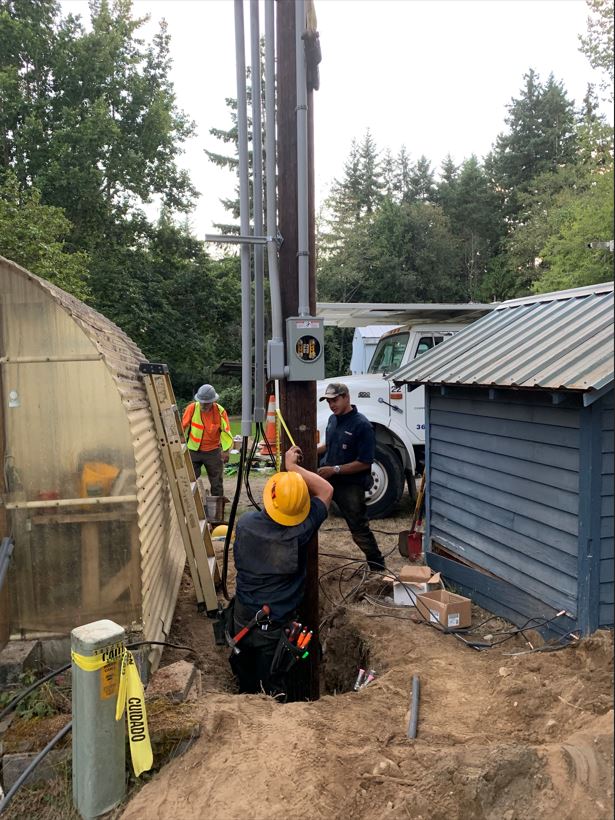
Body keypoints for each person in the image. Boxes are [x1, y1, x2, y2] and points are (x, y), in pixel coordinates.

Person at [229, 445, 333, 697]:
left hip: (241, 620)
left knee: (246, 688)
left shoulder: (245, 525)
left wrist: (287, 469)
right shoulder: (301, 531)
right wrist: (294, 468)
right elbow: (326, 489)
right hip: (274, 633)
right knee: (271, 693)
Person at [316, 382, 386, 571]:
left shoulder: (362, 425)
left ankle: (377, 565)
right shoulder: (332, 420)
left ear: (347, 397)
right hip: (329, 478)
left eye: (335, 400)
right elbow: (329, 445)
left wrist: (335, 469)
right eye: (329, 401)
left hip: (350, 484)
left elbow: (365, 462)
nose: (332, 405)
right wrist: (312, 450)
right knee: (309, 512)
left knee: (358, 528)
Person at [181, 384, 233, 496]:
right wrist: (179, 440)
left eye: (207, 403)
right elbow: (182, 427)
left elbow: (225, 432)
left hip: (213, 452)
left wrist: (225, 451)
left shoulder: (220, 411)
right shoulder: (192, 408)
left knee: (217, 483)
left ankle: (218, 510)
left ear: (213, 401)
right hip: (193, 450)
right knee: (189, 480)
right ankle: (191, 507)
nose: (203, 405)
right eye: (202, 402)